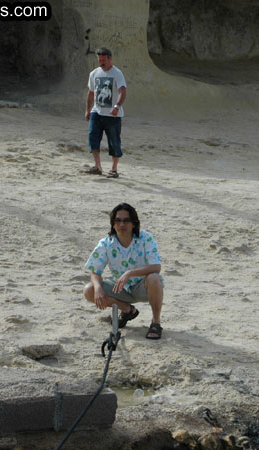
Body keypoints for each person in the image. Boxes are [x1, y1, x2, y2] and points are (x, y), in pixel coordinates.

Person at [83, 203, 164, 339]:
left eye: (126, 220)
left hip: (143, 287)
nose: (122, 224)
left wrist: (130, 273)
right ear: (113, 224)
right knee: (89, 290)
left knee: (155, 278)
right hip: (120, 288)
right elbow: (95, 271)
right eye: (118, 220)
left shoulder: (146, 238)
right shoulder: (106, 243)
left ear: (134, 223)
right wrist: (98, 288)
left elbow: (156, 267)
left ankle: (156, 322)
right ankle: (127, 309)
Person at [84, 47, 126, 179]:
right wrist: (87, 109)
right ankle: (97, 166)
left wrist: (117, 106)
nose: (101, 62)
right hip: (97, 112)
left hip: (112, 115)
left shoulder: (117, 73)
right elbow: (91, 93)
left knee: (114, 142)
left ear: (110, 58)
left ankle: (114, 169)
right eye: (99, 60)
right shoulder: (94, 74)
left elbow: (122, 91)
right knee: (93, 137)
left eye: (103, 60)